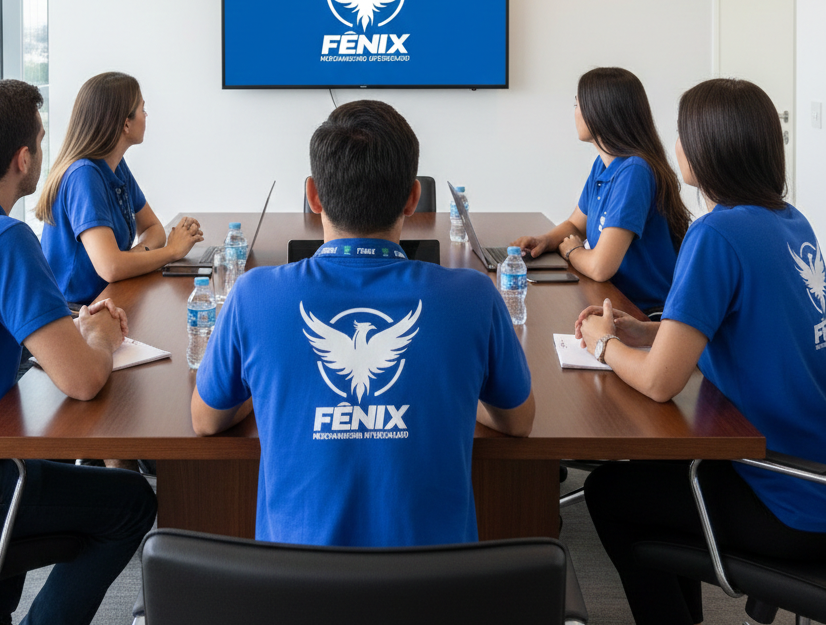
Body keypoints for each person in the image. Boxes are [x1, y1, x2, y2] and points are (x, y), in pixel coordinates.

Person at [191, 99, 534, 547]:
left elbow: (206, 419)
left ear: (313, 196)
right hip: (438, 593)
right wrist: (455, 393)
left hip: (294, 593)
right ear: (412, 198)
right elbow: (518, 421)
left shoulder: (254, 296)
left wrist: (273, 384)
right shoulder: (473, 297)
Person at [0, 79, 156, 625]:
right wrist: (100, 338)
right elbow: (83, 381)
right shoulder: (3, 239)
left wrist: (65, 327)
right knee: (131, 501)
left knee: (28, 456)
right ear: (23, 158)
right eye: (41, 139)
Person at [575, 78, 826, 625]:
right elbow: (753, 330)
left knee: (610, 494)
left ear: (709, 149)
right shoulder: (791, 222)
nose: (678, 147)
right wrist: (649, 332)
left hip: (787, 497)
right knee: (648, 491)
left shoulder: (717, 234)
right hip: (814, 469)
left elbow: (660, 383)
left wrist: (605, 343)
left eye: (685, 135)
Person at [514, 66, 689, 316]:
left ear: (600, 111)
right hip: (611, 299)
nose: (574, 112)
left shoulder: (634, 172)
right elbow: (576, 225)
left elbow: (600, 267)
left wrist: (573, 251)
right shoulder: (603, 165)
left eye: (577, 104)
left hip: (644, 314)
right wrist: (546, 241)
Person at [37, 71, 203, 306]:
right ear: (126, 123)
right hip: (77, 311)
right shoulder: (83, 175)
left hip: (109, 296)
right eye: (142, 109)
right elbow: (111, 267)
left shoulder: (115, 166)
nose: (146, 116)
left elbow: (154, 228)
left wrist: (133, 256)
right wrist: (173, 252)